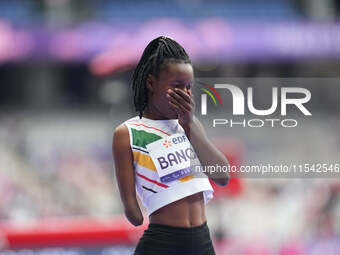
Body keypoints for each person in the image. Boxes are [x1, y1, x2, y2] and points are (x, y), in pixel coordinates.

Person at [112, 36, 230, 255]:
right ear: (150, 83)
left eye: (188, 87)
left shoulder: (191, 126)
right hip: (162, 243)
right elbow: (134, 216)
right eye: (176, 86)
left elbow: (223, 176)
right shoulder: (127, 133)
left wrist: (189, 124)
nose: (184, 94)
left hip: (203, 241)